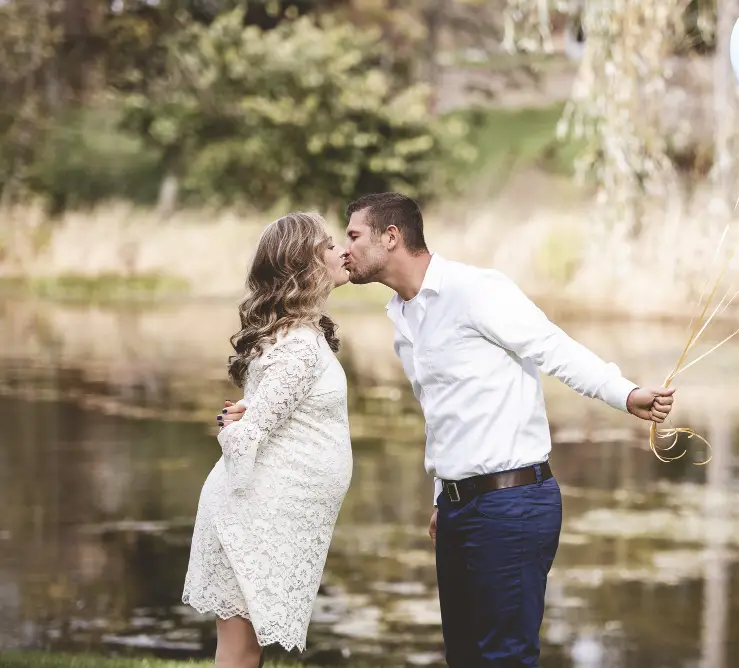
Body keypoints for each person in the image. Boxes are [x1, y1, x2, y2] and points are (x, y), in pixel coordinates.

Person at [221, 193, 674, 667]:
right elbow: (443, 416)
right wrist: (444, 494)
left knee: (506, 658)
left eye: (353, 236)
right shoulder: (401, 316)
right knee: (464, 657)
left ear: (390, 237)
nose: (346, 250)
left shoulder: (475, 290)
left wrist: (624, 393)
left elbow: (554, 348)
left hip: (513, 502)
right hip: (460, 508)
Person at [185, 212, 354, 668]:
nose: (342, 252)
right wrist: (233, 424)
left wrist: (244, 418)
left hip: (266, 512)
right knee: (240, 650)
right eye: (329, 245)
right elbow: (244, 435)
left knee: (245, 649)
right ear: (304, 264)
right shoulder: (297, 345)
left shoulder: (304, 336)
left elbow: (260, 414)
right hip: (250, 514)